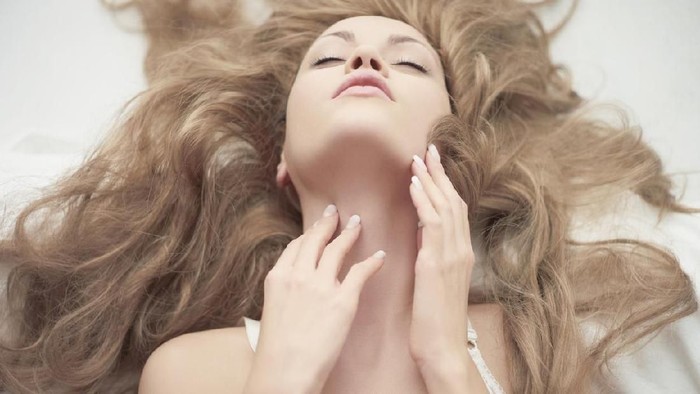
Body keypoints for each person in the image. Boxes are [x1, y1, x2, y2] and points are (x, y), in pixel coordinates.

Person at [0, 0, 697, 392]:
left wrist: (449, 363)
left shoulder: (531, 346)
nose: (365, 60)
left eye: (410, 61)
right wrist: (281, 375)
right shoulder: (193, 371)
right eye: (330, 57)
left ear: (450, 151)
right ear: (280, 163)